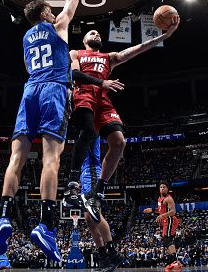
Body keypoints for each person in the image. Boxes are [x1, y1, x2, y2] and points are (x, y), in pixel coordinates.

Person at [0, 0, 81, 263]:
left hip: (29, 90)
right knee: (51, 158)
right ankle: (47, 225)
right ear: (44, 13)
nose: (55, 13)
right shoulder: (59, 26)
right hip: (53, 90)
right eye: (50, 11)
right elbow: (73, 0)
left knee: (16, 157)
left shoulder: (27, 37)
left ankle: (3, 217)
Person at [65, 19, 179, 222]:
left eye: (98, 34)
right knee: (90, 132)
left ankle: (98, 191)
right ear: (84, 40)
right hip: (83, 94)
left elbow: (138, 49)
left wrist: (164, 36)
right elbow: (75, 74)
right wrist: (102, 81)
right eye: (92, 34)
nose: (96, 35)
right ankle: (72, 183)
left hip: (103, 99)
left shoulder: (110, 57)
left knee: (119, 142)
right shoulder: (77, 53)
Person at [79, 137, 124, 272]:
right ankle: (103, 257)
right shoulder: (82, 129)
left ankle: (113, 253)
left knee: (94, 213)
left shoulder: (89, 127)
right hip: (85, 173)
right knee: (89, 219)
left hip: (92, 170)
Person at [143, 182, 183, 272]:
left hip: (170, 220)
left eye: (164, 187)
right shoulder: (160, 198)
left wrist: (161, 216)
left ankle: (175, 261)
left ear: (167, 189)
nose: (162, 188)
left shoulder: (169, 199)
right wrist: (152, 210)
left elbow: (173, 212)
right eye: (161, 187)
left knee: (167, 239)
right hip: (166, 221)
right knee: (166, 241)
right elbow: (161, 210)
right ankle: (173, 261)